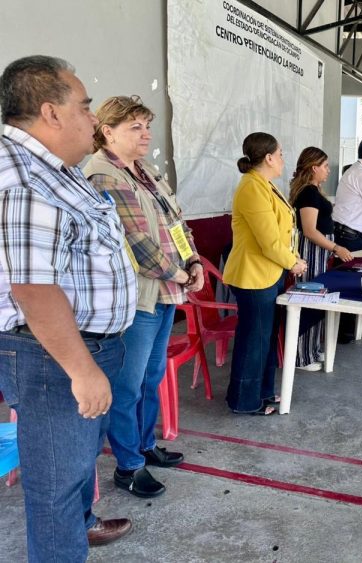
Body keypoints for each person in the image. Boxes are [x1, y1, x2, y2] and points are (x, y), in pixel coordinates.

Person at [0, 55, 136, 562]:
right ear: (50, 112)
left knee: (75, 466)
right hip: (54, 357)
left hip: (76, 349)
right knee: (54, 486)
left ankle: (81, 527)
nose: (93, 118)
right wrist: (81, 370)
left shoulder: (53, 170)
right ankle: (64, 543)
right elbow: (34, 288)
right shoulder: (24, 178)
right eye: (83, 105)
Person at [84, 95, 203, 498]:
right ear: (107, 131)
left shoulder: (144, 171)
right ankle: (128, 465)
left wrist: (195, 261)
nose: (145, 133)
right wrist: (181, 273)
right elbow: (134, 241)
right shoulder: (103, 175)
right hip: (138, 299)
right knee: (128, 385)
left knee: (151, 378)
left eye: (146, 125)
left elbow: (176, 222)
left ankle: (145, 446)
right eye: (135, 126)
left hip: (165, 293)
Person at [223, 132, 308, 415]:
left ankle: (263, 392)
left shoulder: (265, 185)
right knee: (254, 340)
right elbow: (268, 240)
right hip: (254, 276)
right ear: (269, 157)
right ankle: (245, 402)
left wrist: (292, 256)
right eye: (281, 154)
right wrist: (292, 263)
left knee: (266, 337)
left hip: (269, 273)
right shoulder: (251, 187)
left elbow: (281, 233)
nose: (284, 159)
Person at [289, 147, 353, 371]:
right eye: (325, 166)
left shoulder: (314, 191)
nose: (328, 170)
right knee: (310, 299)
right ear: (314, 167)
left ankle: (313, 349)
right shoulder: (308, 192)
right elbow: (309, 230)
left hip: (321, 249)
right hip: (313, 249)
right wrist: (336, 247)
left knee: (319, 299)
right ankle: (301, 356)